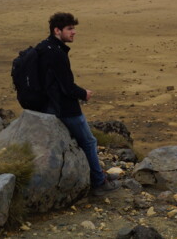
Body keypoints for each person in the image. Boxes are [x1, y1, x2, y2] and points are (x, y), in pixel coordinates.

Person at [40, 12, 118, 196]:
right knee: (89, 142)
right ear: (57, 30)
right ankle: (99, 183)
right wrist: (84, 93)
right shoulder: (56, 53)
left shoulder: (44, 46)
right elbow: (67, 87)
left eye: (73, 28)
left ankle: (96, 174)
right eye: (70, 29)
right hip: (63, 107)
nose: (74, 32)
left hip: (48, 106)